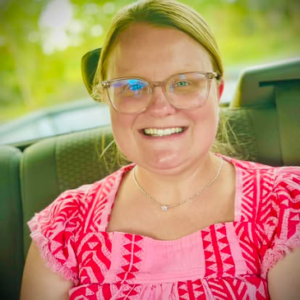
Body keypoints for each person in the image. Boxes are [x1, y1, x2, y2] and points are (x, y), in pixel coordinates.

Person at [20, 0, 300, 299]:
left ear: (216, 93)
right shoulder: (63, 230)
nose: (160, 107)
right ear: (107, 98)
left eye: (182, 82)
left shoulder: (286, 206)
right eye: (132, 86)